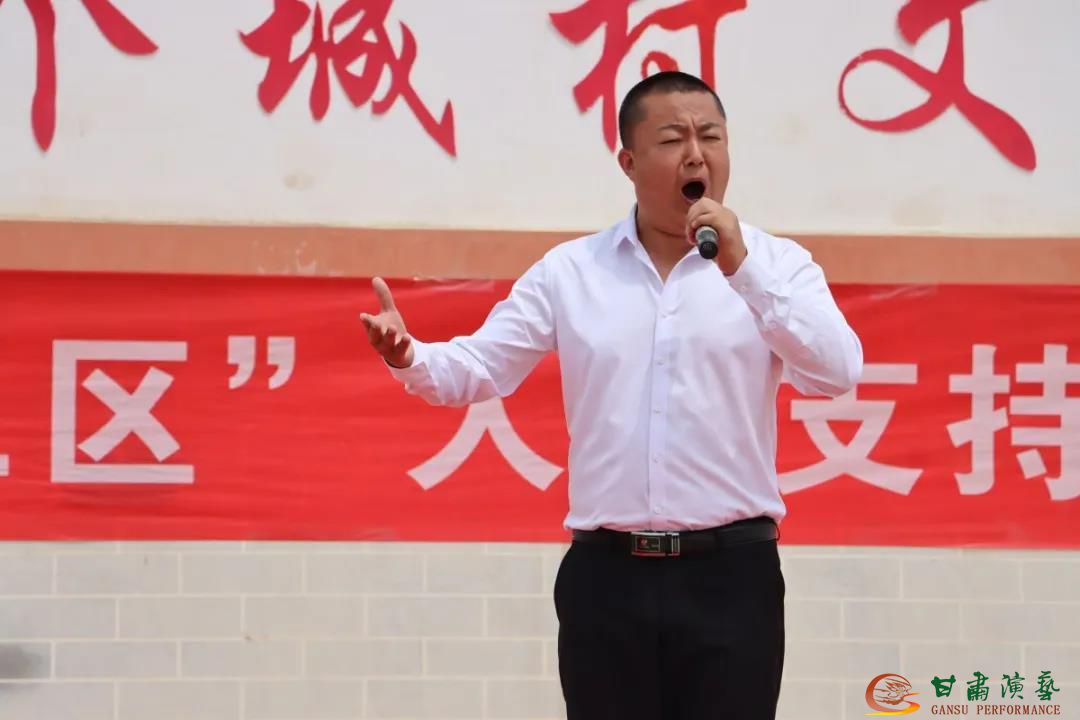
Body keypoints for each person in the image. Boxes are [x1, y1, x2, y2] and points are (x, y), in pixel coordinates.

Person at [359, 70, 863, 720]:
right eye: (673, 139)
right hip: (607, 578)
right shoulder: (571, 272)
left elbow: (837, 370)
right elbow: (480, 367)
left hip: (732, 576)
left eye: (711, 137)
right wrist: (409, 355)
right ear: (628, 162)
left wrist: (743, 270)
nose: (696, 155)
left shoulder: (776, 266)